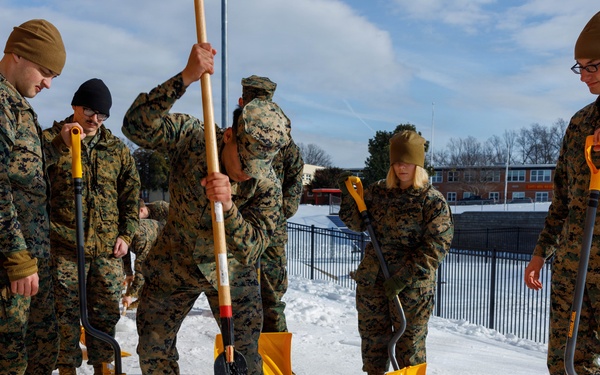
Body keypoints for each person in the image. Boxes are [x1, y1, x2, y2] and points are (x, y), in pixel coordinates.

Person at [122, 43, 288, 375]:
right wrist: (185, 78)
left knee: (244, 361)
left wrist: (228, 206)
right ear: (228, 136)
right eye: (245, 162)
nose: (248, 173)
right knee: (153, 348)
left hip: (231, 274)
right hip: (174, 264)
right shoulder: (193, 138)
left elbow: (254, 246)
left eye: (258, 167)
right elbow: (135, 127)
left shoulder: (266, 183)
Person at [42, 78, 140, 375]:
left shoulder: (115, 149)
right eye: (90, 111)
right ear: (75, 106)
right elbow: (32, 181)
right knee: (65, 316)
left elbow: (131, 193)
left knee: (105, 314)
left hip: (107, 250)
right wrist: (61, 145)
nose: (96, 120)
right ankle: (67, 369)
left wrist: (126, 233)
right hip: (64, 248)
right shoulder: (49, 141)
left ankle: (103, 367)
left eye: (102, 114)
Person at [338, 130, 453, 375]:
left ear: (418, 164)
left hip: (410, 287)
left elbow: (437, 246)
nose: (402, 167)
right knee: (373, 343)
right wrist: (348, 198)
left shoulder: (431, 201)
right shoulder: (379, 192)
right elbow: (356, 223)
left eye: (408, 162)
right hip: (373, 279)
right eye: (397, 162)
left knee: (408, 347)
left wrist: (404, 277)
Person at [525, 11, 600, 375]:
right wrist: (542, 253)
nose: (584, 76)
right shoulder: (580, 123)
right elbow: (563, 201)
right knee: (566, 361)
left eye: (593, 66)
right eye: (580, 67)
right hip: (573, 268)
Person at [0, 19, 66, 375]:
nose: (48, 83)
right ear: (19, 53)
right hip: (11, 268)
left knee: (41, 351)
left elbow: (23, 170)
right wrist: (17, 257)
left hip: (31, 263)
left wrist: (55, 146)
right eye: (45, 71)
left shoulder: (16, 104)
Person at [236, 76, 304, 333]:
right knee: (239, 295)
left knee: (272, 295)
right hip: (239, 228)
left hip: (272, 231)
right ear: (243, 103)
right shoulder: (233, 135)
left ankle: (274, 359)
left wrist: (279, 212)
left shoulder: (284, 142)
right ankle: (244, 354)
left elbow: (295, 180)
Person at [122, 199, 169, 310]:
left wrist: (129, 294)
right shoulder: (129, 228)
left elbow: (141, 270)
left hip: (168, 243)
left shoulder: (161, 208)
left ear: (142, 210)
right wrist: (129, 273)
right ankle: (142, 297)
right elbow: (125, 250)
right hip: (154, 242)